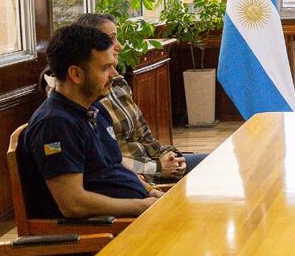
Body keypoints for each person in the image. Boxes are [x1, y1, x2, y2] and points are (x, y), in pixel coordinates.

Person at [18, 25, 160, 219]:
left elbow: (114, 165)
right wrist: (141, 207)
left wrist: (151, 190)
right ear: (76, 74)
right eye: (105, 68)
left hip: (135, 216)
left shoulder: (95, 107)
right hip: (105, 232)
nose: (115, 74)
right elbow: (74, 204)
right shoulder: (55, 125)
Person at [73, 13, 206, 182]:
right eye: (111, 39)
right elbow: (109, 161)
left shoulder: (119, 83)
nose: (119, 46)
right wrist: (157, 169)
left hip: (155, 164)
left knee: (222, 163)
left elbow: (144, 134)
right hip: (139, 176)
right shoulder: (86, 101)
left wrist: (171, 157)